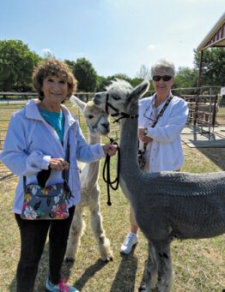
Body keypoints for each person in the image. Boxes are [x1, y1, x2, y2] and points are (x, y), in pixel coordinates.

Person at [0, 59, 117, 292]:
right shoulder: (22, 119)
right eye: (50, 81)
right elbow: (11, 157)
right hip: (36, 197)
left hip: (66, 194)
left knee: (59, 245)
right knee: (30, 257)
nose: (56, 87)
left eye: (62, 82)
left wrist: (101, 150)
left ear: (69, 88)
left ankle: (54, 283)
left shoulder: (70, 120)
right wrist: (45, 162)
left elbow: (81, 151)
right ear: (41, 84)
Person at [120, 59, 189, 255]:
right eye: (157, 77)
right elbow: (128, 126)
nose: (161, 82)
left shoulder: (179, 105)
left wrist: (148, 132)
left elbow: (171, 132)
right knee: (136, 201)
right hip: (142, 162)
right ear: (152, 81)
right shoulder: (141, 104)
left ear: (172, 80)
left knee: (163, 206)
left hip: (167, 165)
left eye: (166, 77)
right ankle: (132, 235)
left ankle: (160, 240)